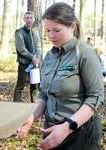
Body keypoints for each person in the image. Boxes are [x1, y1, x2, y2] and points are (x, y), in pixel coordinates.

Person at [16, 2, 104, 150]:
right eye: (47, 30)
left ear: (72, 26)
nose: (51, 36)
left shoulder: (85, 54)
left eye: (56, 30)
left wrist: (67, 127)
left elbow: (95, 96)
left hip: (80, 133)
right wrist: (31, 116)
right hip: (52, 129)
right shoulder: (50, 56)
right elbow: (45, 93)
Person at [13, 11, 42, 103]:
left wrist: (37, 58)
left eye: (31, 18)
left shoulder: (35, 32)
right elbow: (21, 48)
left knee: (35, 86)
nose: (29, 20)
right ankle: (16, 106)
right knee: (20, 86)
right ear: (24, 19)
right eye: (27, 18)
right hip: (24, 64)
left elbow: (38, 47)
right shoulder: (20, 32)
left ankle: (35, 106)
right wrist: (32, 58)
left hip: (34, 65)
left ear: (33, 19)